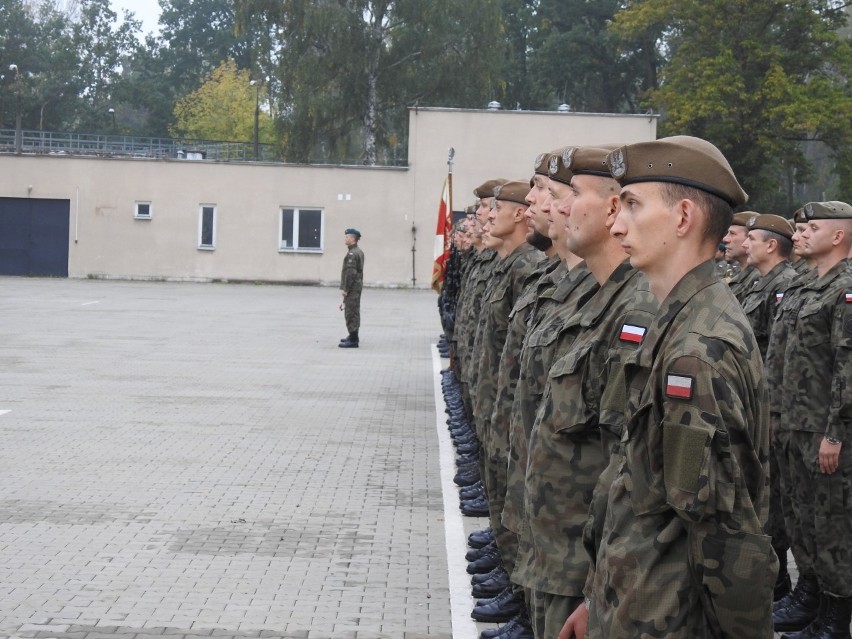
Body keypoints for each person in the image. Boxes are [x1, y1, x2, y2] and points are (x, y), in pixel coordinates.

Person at [563, 135, 776, 638]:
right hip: (633, 600)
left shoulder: (696, 349)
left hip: (666, 618)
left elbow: (723, 532)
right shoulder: (675, 323)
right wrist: (597, 596)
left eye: (632, 206)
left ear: (683, 218)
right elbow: (635, 486)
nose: (615, 223)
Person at [770, 201, 852, 639]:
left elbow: (847, 367)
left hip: (826, 432)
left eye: (811, 227)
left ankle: (836, 620)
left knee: (831, 524)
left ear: (838, 236)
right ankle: (812, 600)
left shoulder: (845, 289)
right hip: (794, 427)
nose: (799, 233)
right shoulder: (806, 287)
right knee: (800, 518)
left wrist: (835, 434)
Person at [722, 211, 761, 301]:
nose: (725, 239)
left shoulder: (759, 277)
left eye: (732, 233)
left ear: (749, 238)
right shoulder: (735, 272)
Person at [338, 228, 364, 348]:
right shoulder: (358, 251)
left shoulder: (352, 254)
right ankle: (353, 335)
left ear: (353, 239)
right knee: (353, 311)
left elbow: (351, 273)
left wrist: (345, 289)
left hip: (352, 288)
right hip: (356, 287)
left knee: (351, 312)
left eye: (347, 237)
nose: (345, 238)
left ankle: (353, 339)